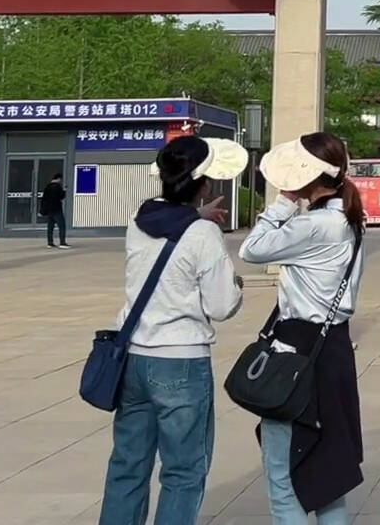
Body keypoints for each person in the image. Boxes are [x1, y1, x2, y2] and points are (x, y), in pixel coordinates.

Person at [99, 136, 244, 525]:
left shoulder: (139, 219)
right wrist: (236, 284)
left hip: (133, 357)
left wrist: (197, 215)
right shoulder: (203, 234)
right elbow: (221, 305)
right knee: (183, 471)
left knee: (128, 465)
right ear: (204, 184)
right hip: (180, 361)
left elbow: (172, 222)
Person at [240, 133, 367, 524]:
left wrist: (283, 201)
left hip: (298, 353)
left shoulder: (313, 226)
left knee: (283, 480)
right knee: (328, 478)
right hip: (335, 349)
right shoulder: (349, 221)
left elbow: (252, 250)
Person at [41, 172, 69, 248]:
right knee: (62, 226)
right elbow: (61, 196)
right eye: (61, 180)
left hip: (49, 210)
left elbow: (44, 199)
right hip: (56, 209)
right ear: (59, 179)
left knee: (50, 227)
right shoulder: (57, 187)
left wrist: (43, 210)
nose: (61, 181)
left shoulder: (47, 187)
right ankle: (62, 243)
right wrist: (64, 190)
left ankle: (50, 243)